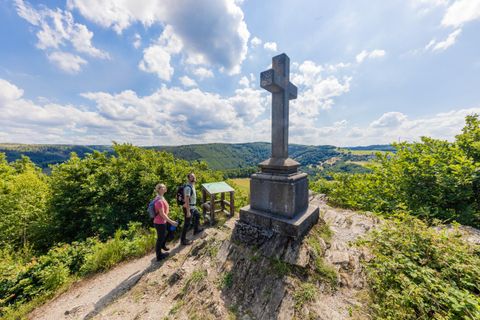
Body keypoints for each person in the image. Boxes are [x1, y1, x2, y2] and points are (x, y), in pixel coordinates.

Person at [153, 183, 178, 261]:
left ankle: (163, 245)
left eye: (164, 187)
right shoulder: (159, 200)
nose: (165, 188)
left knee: (168, 232)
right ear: (159, 190)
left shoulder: (161, 197)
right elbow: (162, 214)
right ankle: (159, 256)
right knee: (160, 238)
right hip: (160, 222)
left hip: (163, 220)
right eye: (163, 187)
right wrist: (171, 222)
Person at [181, 172, 203, 245]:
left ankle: (196, 230)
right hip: (189, 208)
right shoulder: (188, 187)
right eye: (192, 177)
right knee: (187, 224)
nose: (194, 178)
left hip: (193, 207)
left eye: (194, 176)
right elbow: (186, 200)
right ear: (188, 178)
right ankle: (183, 240)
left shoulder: (192, 185)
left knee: (197, 215)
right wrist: (188, 211)